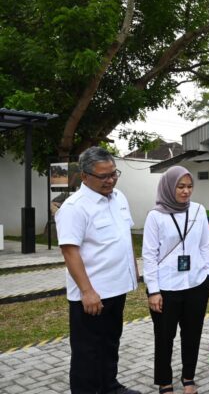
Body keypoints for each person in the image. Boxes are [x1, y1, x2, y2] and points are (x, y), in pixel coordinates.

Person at [56, 146, 141, 394]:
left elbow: (125, 236)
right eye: (103, 176)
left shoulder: (119, 197)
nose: (111, 180)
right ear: (84, 176)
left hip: (117, 288)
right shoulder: (74, 207)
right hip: (92, 295)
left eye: (114, 173)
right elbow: (70, 251)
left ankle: (109, 386)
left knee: (110, 343)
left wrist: (132, 267)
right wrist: (87, 291)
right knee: (87, 352)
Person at [142, 166, 209, 394]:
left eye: (189, 186)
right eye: (180, 187)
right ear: (168, 187)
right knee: (164, 337)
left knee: (192, 334)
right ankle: (165, 381)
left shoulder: (199, 210)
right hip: (166, 287)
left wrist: (207, 274)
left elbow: (204, 245)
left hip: (196, 283)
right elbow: (149, 255)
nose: (185, 192)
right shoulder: (155, 216)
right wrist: (153, 290)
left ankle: (188, 377)